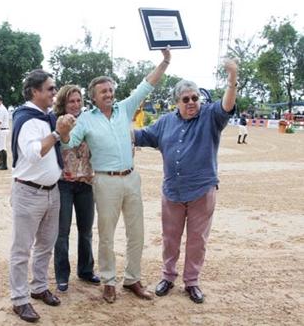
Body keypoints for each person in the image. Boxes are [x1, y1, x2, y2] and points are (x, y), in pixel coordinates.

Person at [61, 48, 171, 304]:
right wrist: (64, 132)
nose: (109, 94)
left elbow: (147, 85)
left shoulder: (125, 108)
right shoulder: (85, 120)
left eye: (110, 90)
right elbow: (69, 145)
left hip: (131, 178)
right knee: (106, 234)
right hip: (105, 180)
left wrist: (164, 62)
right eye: (104, 92)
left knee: (137, 232)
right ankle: (109, 281)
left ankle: (132, 279)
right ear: (94, 97)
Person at [134, 58, 238, 304]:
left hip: (202, 190)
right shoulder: (165, 123)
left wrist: (232, 79)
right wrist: (112, 128)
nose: (192, 102)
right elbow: (140, 136)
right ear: (176, 102)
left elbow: (226, 105)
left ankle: (192, 282)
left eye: (195, 98)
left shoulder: (211, 116)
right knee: (170, 239)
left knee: (197, 240)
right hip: (172, 191)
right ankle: (168, 277)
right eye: (186, 99)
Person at [9, 69, 74, 323]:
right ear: (35, 91)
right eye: (49, 88)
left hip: (51, 191)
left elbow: (61, 145)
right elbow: (35, 153)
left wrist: (63, 132)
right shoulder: (25, 119)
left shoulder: (46, 116)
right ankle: (19, 299)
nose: (54, 93)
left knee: (46, 245)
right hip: (29, 192)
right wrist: (57, 133)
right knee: (21, 249)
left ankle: (37, 287)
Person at [52, 85, 99, 292]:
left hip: (86, 182)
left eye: (79, 100)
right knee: (62, 233)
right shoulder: (57, 122)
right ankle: (62, 275)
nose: (76, 104)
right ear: (63, 102)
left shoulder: (89, 120)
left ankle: (86, 270)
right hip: (64, 183)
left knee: (86, 231)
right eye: (71, 101)